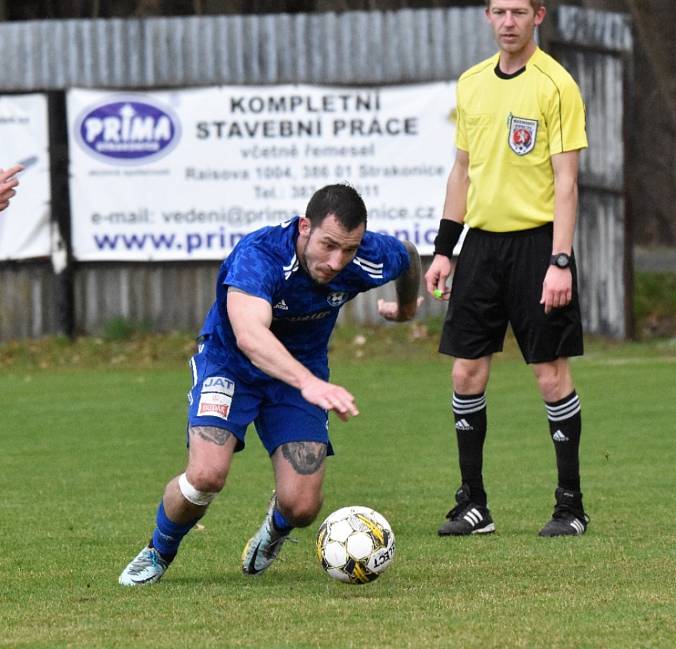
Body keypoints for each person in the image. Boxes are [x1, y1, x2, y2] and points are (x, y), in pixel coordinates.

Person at [119, 184, 421, 586]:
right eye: (328, 245)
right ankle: (159, 551)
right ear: (304, 227)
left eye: (348, 249)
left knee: (302, 507)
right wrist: (309, 383)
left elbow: (410, 256)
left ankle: (274, 530)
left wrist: (405, 308)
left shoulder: (368, 255)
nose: (336, 261)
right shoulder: (260, 256)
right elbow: (250, 335)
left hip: (299, 375)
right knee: (206, 474)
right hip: (230, 365)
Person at [425, 0, 589, 538]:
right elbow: (462, 170)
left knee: (549, 373)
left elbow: (566, 182)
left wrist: (559, 260)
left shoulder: (556, 84)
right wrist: (445, 250)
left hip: (538, 246)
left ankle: (571, 506)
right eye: (499, 10)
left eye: (519, 10)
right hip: (481, 249)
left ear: (538, 15)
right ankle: (473, 505)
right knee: (465, 371)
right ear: (487, 17)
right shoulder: (471, 83)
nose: (508, 21)